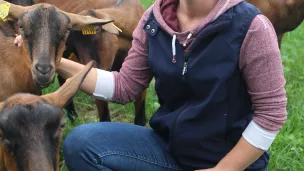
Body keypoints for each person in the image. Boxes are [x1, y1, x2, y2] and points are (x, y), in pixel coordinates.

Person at [15, 0, 287, 170]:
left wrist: (224, 170)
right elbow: (124, 86)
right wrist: (54, 60)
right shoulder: (154, 21)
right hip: (170, 149)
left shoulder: (251, 26)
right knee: (80, 143)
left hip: (229, 159)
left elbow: (271, 114)